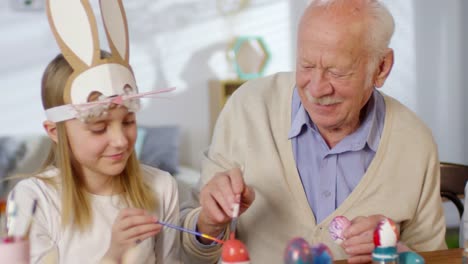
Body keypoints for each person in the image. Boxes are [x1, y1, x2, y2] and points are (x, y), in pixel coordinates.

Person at [181, 0, 447, 263]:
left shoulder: (415, 142)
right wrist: (209, 224)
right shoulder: (247, 107)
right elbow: (188, 250)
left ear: (381, 67)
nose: (317, 89)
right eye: (306, 66)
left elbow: (436, 258)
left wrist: (391, 248)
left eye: (338, 71)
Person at [6, 0, 180, 263]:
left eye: (129, 121)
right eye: (99, 128)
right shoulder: (33, 198)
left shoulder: (161, 187)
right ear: (55, 131)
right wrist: (113, 255)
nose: (121, 141)